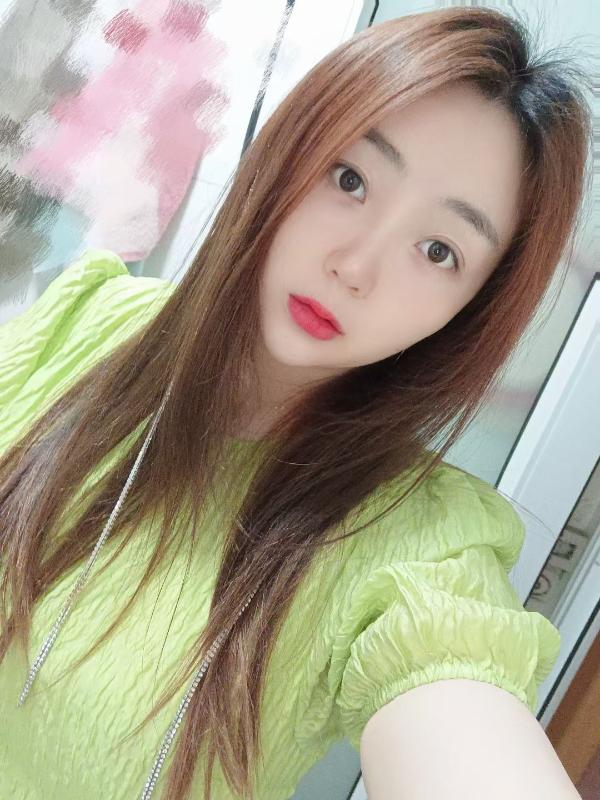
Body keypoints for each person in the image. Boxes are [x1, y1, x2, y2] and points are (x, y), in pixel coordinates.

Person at [0, 6, 592, 800]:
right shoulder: (88, 323)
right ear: (288, 155)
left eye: (439, 250)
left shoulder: (414, 545)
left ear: (469, 311)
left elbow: (458, 713)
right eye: (350, 180)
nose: (356, 265)